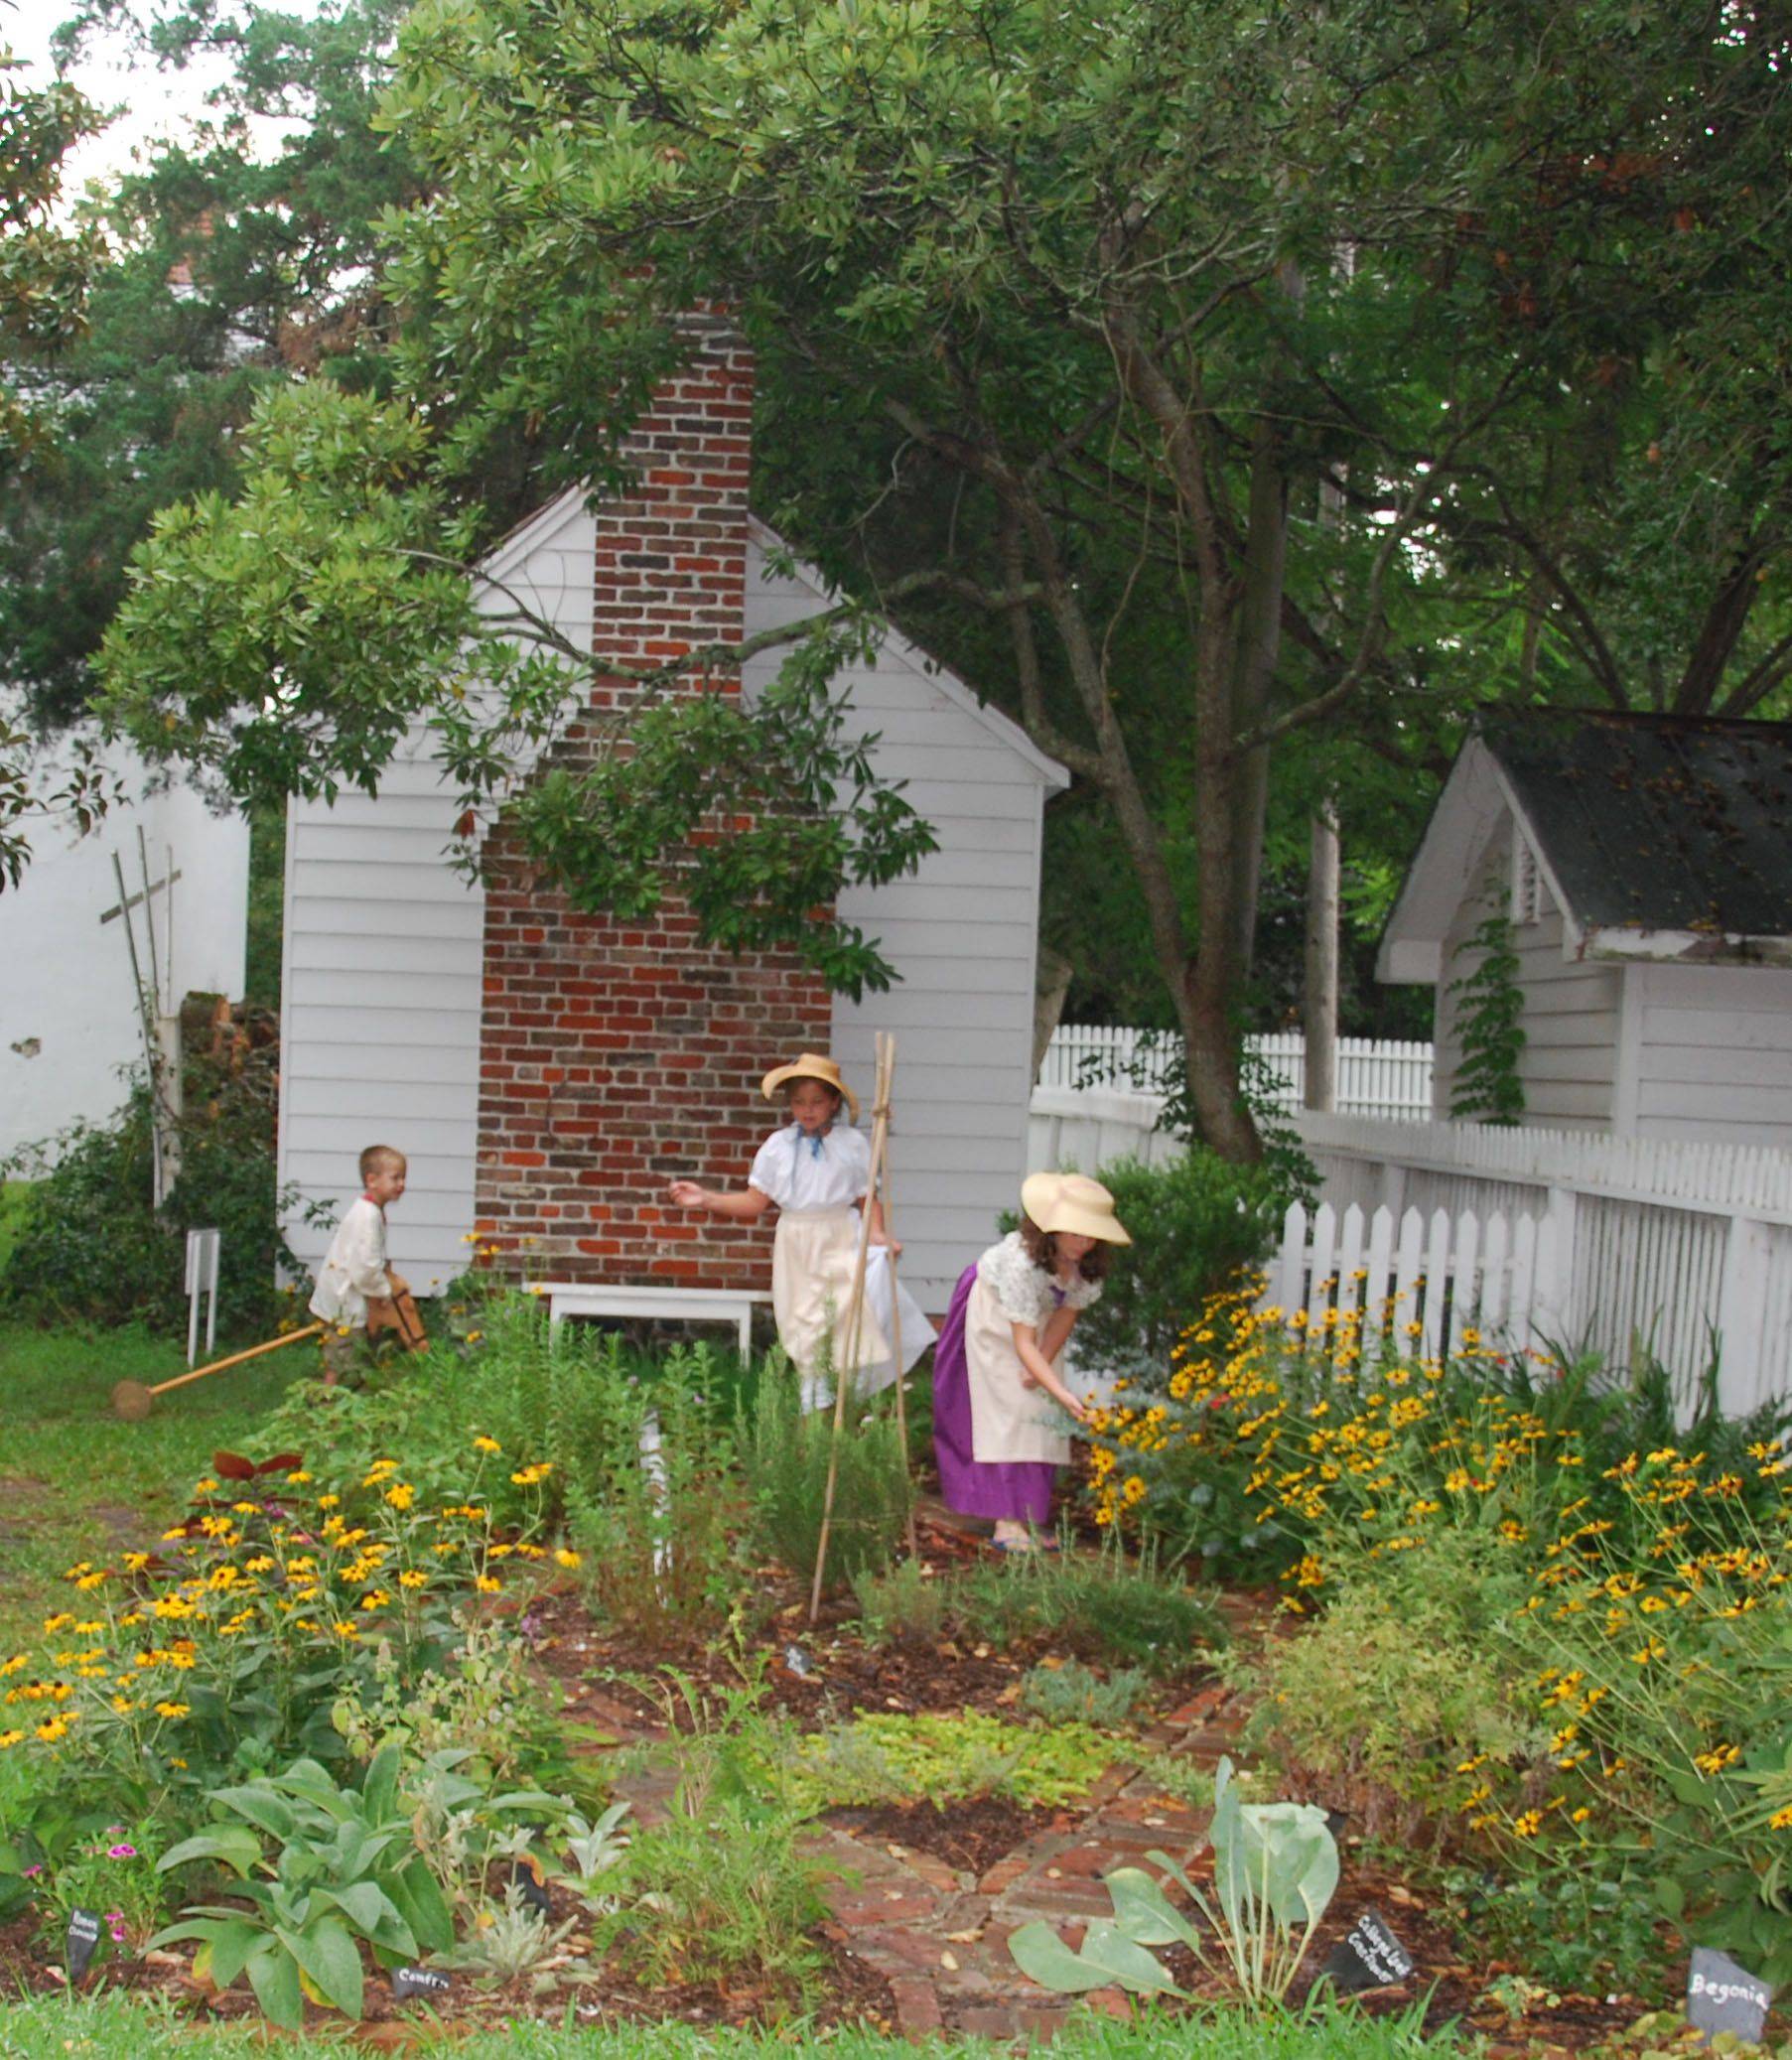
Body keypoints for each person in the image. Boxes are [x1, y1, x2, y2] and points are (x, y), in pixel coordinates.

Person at [666, 1052, 934, 1406]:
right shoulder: (777, 1148)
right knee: (805, 1331)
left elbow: (867, 1196)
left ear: (834, 1102)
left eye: (817, 1102)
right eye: (798, 1103)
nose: (807, 1110)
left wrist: (878, 1235)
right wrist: (707, 1199)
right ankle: (814, 1413)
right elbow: (755, 1201)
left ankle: (841, 1410)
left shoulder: (851, 1144)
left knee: (844, 1323)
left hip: (840, 1237)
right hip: (796, 1245)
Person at [932, 1171, 1130, 1552]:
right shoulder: (1022, 1265)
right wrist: (1063, 1392)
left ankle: (1028, 1514)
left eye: (1090, 1235)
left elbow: (1064, 1316)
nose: (1083, 1242)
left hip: (1033, 1320)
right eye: (1074, 1233)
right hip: (991, 1315)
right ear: (1052, 1230)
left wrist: (1041, 1368)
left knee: (1038, 1412)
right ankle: (1005, 1520)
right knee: (1006, 1412)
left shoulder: (1086, 1268)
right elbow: (1021, 1340)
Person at [309, 1144, 409, 1385]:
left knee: (344, 1352)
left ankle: (338, 1397)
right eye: (395, 1177)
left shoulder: (368, 1210)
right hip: (344, 1295)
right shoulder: (367, 1216)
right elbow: (364, 1269)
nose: (402, 1184)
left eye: (404, 1178)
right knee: (344, 1355)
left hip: (345, 1292)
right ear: (372, 1180)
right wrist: (385, 1291)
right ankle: (328, 1403)